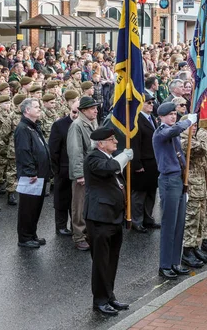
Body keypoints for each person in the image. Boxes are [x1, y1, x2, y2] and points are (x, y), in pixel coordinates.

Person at [84, 127, 133, 316]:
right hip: (100, 218)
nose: (116, 142)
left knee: (112, 260)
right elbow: (108, 170)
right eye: (112, 139)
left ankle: (109, 295)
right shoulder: (93, 158)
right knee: (101, 262)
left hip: (114, 216)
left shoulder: (109, 157)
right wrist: (125, 157)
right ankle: (100, 301)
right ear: (101, 143)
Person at [153, 102, 196, 280]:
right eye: (169, 114)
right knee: (169, 224)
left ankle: (174, 262)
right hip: (169, 180)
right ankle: (164, 265)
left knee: (179, 224)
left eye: (174, 114)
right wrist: (187, 122)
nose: (173, 117)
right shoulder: (160, 132)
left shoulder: (173, 130)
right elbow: (171, 132)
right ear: (161, 117)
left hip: (179, 179)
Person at [15, 98, 52, 248]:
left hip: (40, 173)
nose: (39, 109)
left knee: (36, 207)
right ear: (26, 111)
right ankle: (24, 238)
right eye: (36, 107)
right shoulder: (23, 128)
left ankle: (32, 234)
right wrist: (30, 172)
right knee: (28, 207)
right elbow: (24, 151)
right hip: (31, 176)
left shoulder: (34, 126)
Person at [67, 96, 99, 251]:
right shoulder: (77, 125)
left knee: (89, 202)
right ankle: (79, 236)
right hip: (83, 172)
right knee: (79, 205)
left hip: (93, 170)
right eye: (92, 108)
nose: (96, 111)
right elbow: (75, 151)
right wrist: (79, 174)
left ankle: (88, 232)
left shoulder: (92, 122)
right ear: (84, 110)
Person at [180, 116, 207, 268]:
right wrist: (205, 134)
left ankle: (195, 247)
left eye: (195, 126)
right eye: (191, 126)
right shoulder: (184, 140)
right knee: (191, 218)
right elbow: (202, 149)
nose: (194, 128)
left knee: (200, 218)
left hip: (201, 184)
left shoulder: (194, 138)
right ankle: (187, 251)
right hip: (192, 185)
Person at [48, 99, 79, 236]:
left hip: (78, 169)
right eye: (74, 112)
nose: (76, 115)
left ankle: (75, 225)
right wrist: (57, 170)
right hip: (63, 169)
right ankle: (60, 226)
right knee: (62, 199)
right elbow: (53, 150)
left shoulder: (86, 124)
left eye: (79, 113)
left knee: (76, 200)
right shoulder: (59, 125)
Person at [130, 93, 160, 232]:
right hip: (142, 162)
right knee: (139, 194)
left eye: (152, 102)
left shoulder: (152, 118)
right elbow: (134, 144)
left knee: (151, 192)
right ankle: (137, 221)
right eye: (148, 102)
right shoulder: (136, 120)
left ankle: (148, 218)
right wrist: (137, 164)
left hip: (153, 162)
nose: (151, 104)